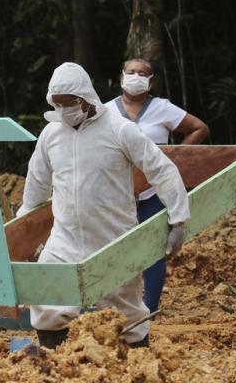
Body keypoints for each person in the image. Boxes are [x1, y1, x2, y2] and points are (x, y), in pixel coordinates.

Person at [18, 62, 190, 349]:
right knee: (48, 296)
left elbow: (161, 169)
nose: (64, 110)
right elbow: (36, 183)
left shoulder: (119, 129)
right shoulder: (51, 135)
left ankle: (136, 363)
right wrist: (24, 230)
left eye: (69, 103)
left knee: (125, 312)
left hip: (114, 238)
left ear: (86, 98)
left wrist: (178, 218)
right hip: (65, 239)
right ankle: (54, 360)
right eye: (57, 104)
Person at [104, 58, 209, 313]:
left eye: (143, 73)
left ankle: (150, 307)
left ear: (151, 82)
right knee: (114, 250)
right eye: (131, 72)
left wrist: (174, 158)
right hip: (116, 193)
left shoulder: (162, 108)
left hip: (154, 192)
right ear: (121, 77)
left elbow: (199, 128)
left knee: (153, 249)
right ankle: (113, 306)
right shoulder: (104, 111)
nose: (136, 76)